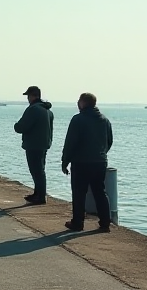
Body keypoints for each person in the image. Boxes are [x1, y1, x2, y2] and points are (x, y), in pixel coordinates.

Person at [61, 92, 114, 233]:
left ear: (83, 103)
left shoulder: (78, 119)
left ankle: (78, 223)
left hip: (81, 162)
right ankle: (105, 223)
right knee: (100, 192)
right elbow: (109, 141)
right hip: (99, 162)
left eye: (79, 101)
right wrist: (100, 154)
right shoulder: (105, 120)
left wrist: (65, 161)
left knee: (79, 193)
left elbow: (70, 143)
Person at [13, 85, 54, 205]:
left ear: (33, 96)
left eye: (28, 96)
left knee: (36, 170)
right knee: (40, 170)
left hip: (33, 144)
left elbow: (21, 126)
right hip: (44, 144)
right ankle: (38, 193)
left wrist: (16, 126)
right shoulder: (47, 110)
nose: (28, 99)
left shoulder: (33, 109)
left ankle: (40, 196)